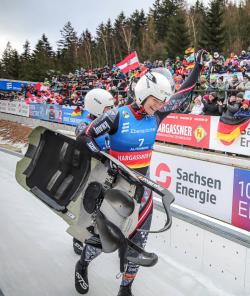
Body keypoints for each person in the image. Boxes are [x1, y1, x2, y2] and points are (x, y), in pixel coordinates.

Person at [74, 49, 208, 296]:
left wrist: (197, 68)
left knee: (139, 240)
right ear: (143, 94)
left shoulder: (156, 116)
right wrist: (100, 155)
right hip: (115, 187)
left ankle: (126, 288)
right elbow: (86, 137)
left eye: (161, 102)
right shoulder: (116, 115)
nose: (159, 105)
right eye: (156, 100)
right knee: (105, 237)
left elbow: (182, 96)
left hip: (142, 188)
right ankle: (82, 264)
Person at [72, 88, 115, 256]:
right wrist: (101, 155)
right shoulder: (84, 123)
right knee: (86, 203)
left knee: (104, 204)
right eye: (107, 108)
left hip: (106, 170)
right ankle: (77, 236)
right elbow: (83, 140)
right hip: (90, 169)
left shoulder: (109, 121)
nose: (110, 112)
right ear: (96, 107)